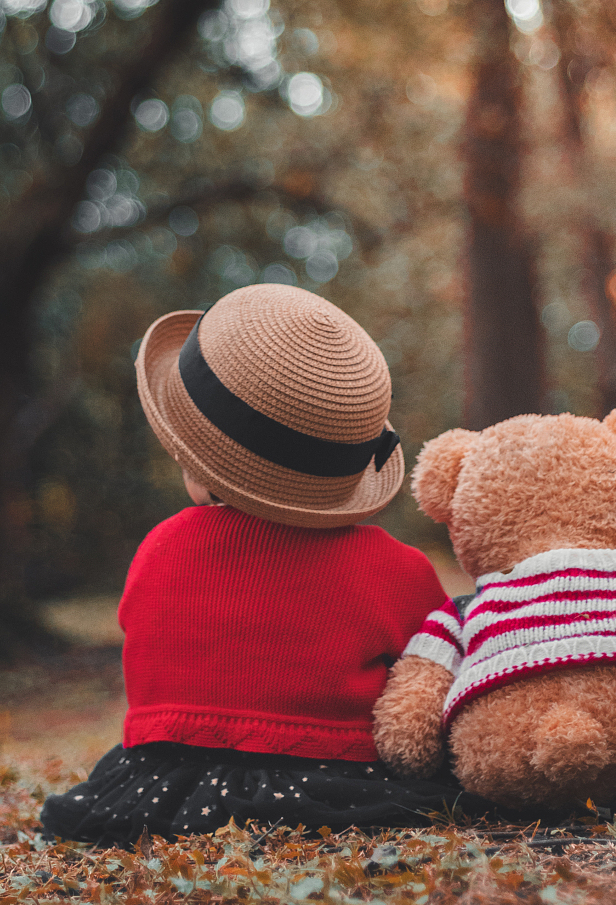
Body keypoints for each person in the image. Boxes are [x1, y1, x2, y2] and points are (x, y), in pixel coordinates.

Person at [40, 282, 473, 843]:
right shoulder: (398, 571)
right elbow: (438, 677)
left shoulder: (159, 548)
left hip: (164, 783)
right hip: (333, 783)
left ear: (194, 454)